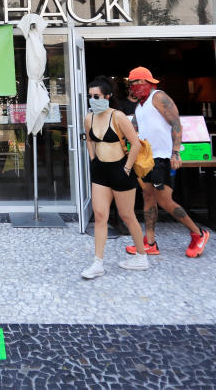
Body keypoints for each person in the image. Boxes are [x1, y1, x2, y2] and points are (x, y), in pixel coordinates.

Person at [124, 67, 210, 258]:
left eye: (139, 82)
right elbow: (134, 129)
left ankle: (198, 233)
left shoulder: (159, 97)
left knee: (165, 200)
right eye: (132, 83)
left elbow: (176, 124)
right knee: (148, 197)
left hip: (162, 158)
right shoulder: (140, 106)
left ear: (149, 82)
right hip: (146, 159)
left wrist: (176, 153)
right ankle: (150, 243)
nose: (135, 86)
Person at [81, 76, 150, 278]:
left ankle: (141, 255)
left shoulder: (118, 116)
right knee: (100, 216)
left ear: (108, 96)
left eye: (97, 96)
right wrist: (93, 160)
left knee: (127, 215)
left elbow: (135, 143)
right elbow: (89, 141)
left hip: (121, 169)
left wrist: (127, 168)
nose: (93, 100)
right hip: (100, 170)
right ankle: (97, 263)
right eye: (90, 96)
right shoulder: (89, 118)